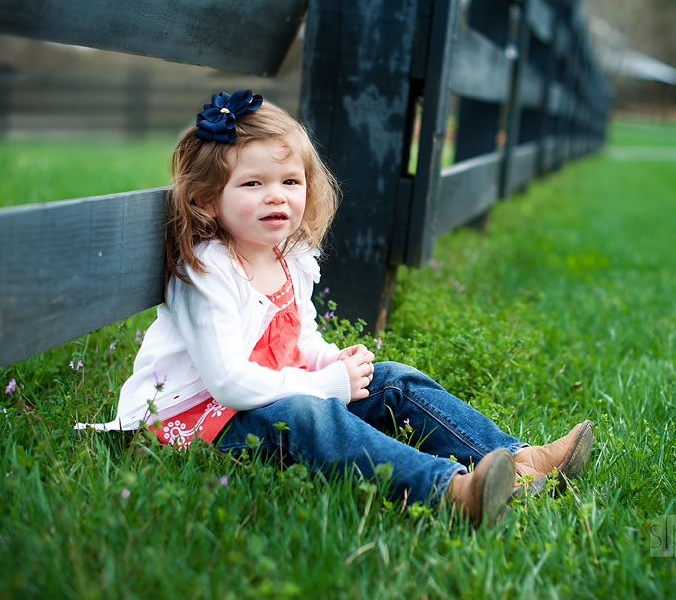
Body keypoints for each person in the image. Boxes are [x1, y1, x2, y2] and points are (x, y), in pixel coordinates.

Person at [76, 90, 594, 524]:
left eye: (289, 182)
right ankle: (453, 494)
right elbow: (229, 382)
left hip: (272, 392)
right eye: (252, 184)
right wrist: (323, 385)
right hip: (200, 420)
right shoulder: (207, 272)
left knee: (391, 380)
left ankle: (520, 463)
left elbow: (296, 336)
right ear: (207, 200)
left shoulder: (287, 257)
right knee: (310, 416)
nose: (275, 197)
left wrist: (328, 361)